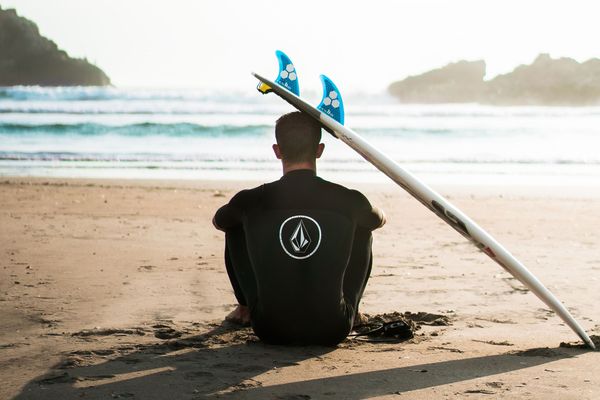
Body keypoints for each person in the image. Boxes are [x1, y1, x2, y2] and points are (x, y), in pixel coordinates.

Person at [213, 111, 385, 345]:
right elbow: (378, 220)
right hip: (333, 328)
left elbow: (218, 221)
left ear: (277, 151)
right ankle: (353, 312)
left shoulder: (251, 200)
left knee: (235, 225)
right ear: (319, 150)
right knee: (362, 227)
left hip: (269, 329)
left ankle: (245, 308)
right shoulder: (347, 199)